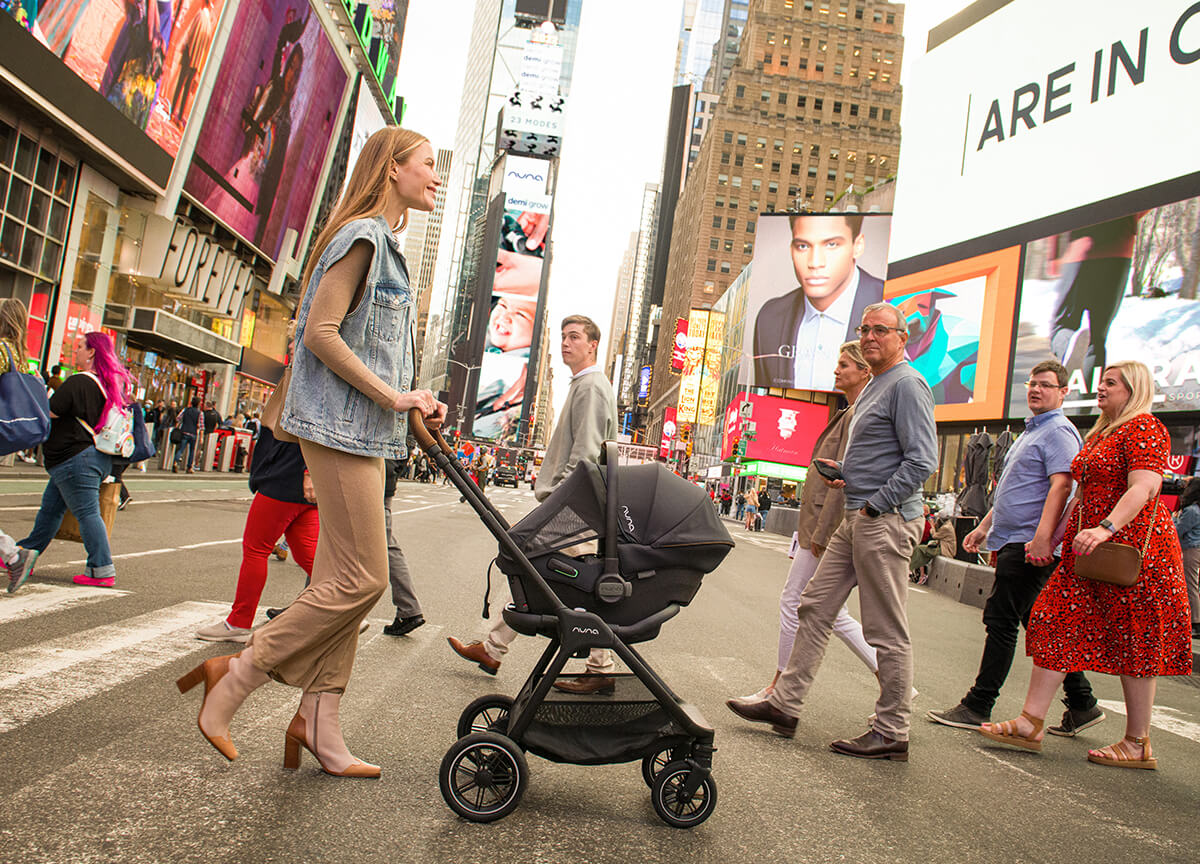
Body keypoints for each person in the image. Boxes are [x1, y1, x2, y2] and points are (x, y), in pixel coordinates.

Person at [175, 126, 446, 778]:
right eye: (428, 165)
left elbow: (370, 345)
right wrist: (393, 395)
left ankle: (321, 728)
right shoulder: (363, 239)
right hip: (340, 429)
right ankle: (236, 677)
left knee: (338, 586)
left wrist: (412, 404)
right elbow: (320, 334)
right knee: (365, 581)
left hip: (364, 428)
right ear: (392, 170)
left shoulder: (388, 246)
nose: (436, 177)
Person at [727, 304, 938, 761]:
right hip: (858, 511)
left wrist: (877, 502)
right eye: (864, 329)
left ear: (903, 337)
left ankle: (892, 729)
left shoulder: (908, 384)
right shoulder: (877, 387)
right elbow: (883, 454)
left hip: (884, 518)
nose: (869, 337)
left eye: (880, 330)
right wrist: (848, 474)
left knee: (886, 630)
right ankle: (785, 704)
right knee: (814, 606)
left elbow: (922, 461)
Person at [980, 361, 1193, 768]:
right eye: (1101, 382)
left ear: (1133, 390)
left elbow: (1146, 486)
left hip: (1131, 550)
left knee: (1136, 639)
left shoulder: (1144, 427)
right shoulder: (1103, 432)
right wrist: (1051, 538)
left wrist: (1106, 527)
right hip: (1086, 549)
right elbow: (1080, 494)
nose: (1101, 389)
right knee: (1053, 619)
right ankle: (1031, 721)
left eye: (1110, 383)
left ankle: (1137, 742)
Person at [928, 360, 1104, 734]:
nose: (1036, 390)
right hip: (1013, 538)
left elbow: (1062, 487)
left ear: (1063, 392)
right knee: (1038, 624)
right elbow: (1013, 489)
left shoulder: (1058, 432)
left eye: (1045, 385)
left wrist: (1043, 538)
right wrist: (985, 527)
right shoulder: (1030, 432)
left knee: (1001, 620)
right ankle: (1082, 702)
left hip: (1029, 544)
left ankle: (978, 704)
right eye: (1032, 383)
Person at [448, 315, 617, 688]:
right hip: (580, 505)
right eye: (563, 336)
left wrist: (559, 501)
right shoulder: (585, 385)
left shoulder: (590, 386)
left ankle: (496, 649)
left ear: (592, 345)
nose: (566, 343)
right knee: (561, 578)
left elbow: (586, 454)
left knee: (531, 566)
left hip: (575, 507)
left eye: (575, 337)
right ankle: (495, 649)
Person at [731, 342, 880, 702]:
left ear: (864, 371)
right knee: (830, 610)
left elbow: (844, 479)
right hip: (820, 524)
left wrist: (819, 531)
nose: (836, 370)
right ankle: (895, 678)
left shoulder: (859, 414)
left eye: (844, 365)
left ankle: (778, 687)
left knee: (793, 599)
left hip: (826, 526)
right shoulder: (849, 412)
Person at [17, 332, 137, 589]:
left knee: (87, 513)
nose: (76, 351)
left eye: (81, 347)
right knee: (50, 510)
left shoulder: (79, 382)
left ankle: (102, 568)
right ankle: (24, 554)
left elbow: (48, 411)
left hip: (74, 459)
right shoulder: (107, 385)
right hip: (88, 458)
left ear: (92, 352)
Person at [195, 426, 318, 643]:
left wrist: (308, 471)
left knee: (256, 549)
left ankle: (238, 622)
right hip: (301, 478)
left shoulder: (306, 391)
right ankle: (348, 611)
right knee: (309, 555)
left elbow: (312, 423)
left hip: (284, 475)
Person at [753, 214, 885, 390]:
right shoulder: (769, 317)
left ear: (857, 245)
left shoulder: (891, 305)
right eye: (803, 246)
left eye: (831, 245)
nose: (815, 263)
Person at [381, 456, 425, 637]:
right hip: (384, 473)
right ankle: (409, 608)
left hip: (374, 471)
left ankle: (409, 608)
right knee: (386, 541)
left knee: (333, 536)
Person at [1173, 478, 1200, 639]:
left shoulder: (1191, 511)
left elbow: (1178, 530)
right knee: (1191, 584)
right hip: (1194, 549)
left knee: (1190, 585)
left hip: (1190, 550)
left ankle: (1195, 622)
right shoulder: (1196, 509)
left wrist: (1174, 518)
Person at [908, 512, 956, 583]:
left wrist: (932, 525)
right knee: (921, 549)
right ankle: (913, 569)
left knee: (919, 549)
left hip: (945, 550)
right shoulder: (946, 524)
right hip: (940, 547)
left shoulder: (946, 528)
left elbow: (934, 536)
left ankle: (911, 569)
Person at [174, 397, 201, 473]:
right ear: (198, 404)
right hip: (193, 433)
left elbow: (178, 418)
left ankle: (175, 462)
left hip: (184, 431)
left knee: (181, 449)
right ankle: (189, 467)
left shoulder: (185, 410)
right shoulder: (199, 413)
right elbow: (201, 425)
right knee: (192, 451)